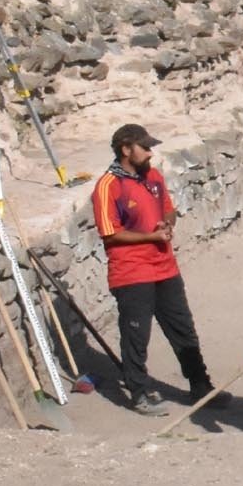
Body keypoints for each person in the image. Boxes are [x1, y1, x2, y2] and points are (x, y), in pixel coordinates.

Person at [91, 122, 210, 414]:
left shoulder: (153, 177)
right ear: (126, 149)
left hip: (165, 267)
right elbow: (110, 233)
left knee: (183, 328)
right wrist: (151, 236)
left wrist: (166, 224)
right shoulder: (108, 186)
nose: (150, 153)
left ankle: (201, 385)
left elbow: (168, 209)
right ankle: (139, 392)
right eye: (145, 148)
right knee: (136, 335)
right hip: (131, 272)